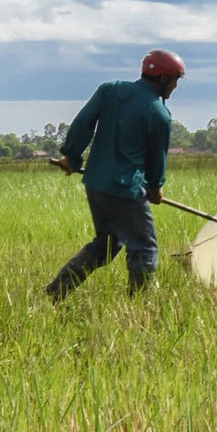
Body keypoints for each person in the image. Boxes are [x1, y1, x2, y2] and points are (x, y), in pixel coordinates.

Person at [44, 49, 185, 302]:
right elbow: (156, 159)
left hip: (96, 184)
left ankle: (56, 292)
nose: (175, 86)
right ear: (163, 79)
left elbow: (83, 123)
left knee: (107, 245)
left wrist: (71, 157)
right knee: (145, 248)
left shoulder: (110, 90)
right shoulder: (159, 114)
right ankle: (137, 306)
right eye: (175, 80)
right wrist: (155, 187)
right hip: (126, 190)